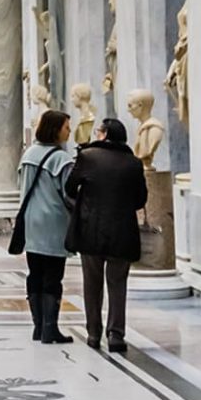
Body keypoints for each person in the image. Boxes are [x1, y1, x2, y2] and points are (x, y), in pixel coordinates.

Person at [66, 117, 146, 352]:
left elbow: (70, 188)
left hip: (91, 229)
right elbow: (141, 199)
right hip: (123, 231)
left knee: (92, 283)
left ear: (104, 134)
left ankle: (93, 332)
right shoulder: (133, 163)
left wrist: (84, 205)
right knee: (117, 283)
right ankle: (116, 334)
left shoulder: (88, 157)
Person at [16, 109, 77, 344]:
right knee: (53, 275)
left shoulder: (28, 153)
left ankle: (38, 325)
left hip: (32, 220)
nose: (69, 131)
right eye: (66, 127)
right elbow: (69, 192)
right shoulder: (61, 159)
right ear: (55, 129)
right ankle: (50, 328)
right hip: (53, 221)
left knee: (35, 272)